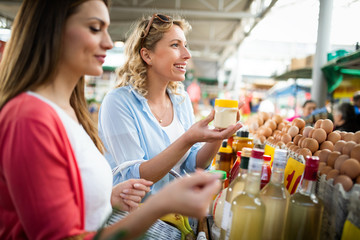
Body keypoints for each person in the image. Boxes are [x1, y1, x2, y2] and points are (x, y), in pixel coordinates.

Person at [0, 1, 221, 239]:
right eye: (95, 28)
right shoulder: (30, 119)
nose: (108, 42)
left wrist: (110, 195)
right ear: (52, 31)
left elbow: (73, 199)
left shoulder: (70, 111)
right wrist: (160, 204)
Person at [98, 13, 242, 193]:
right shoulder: (118, 103)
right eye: (175, 45)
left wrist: (219, 135)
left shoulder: (180, 99)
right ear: (147, 55)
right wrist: (188, 139)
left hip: (177, 217)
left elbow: (192, 164)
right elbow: (135, 178)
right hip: (137, 218)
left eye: (186, 46)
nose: (187, 54)